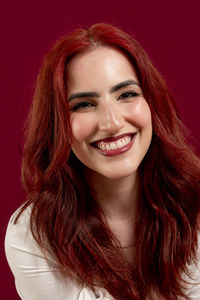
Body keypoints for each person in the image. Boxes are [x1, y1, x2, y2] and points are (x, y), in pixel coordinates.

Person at [4, 23, 200, 300]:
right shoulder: (33, 236)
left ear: (153, 104)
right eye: (84, 104)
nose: (112, 123)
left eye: (127, 95)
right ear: (57, 124)